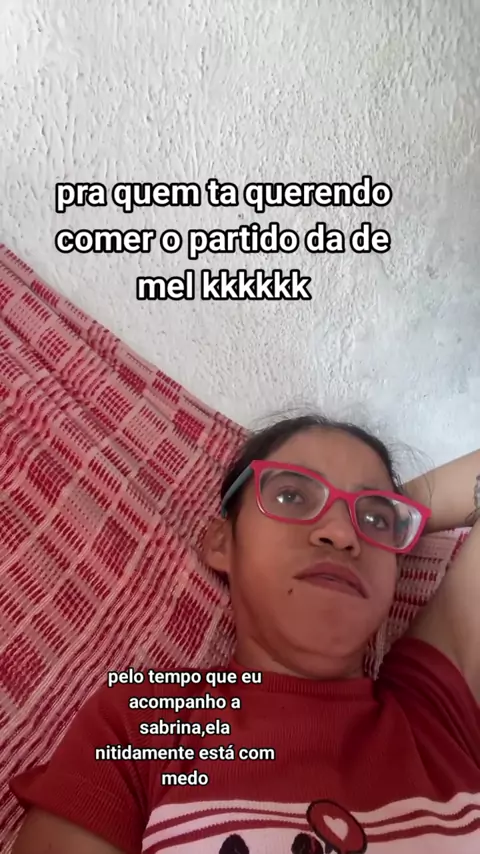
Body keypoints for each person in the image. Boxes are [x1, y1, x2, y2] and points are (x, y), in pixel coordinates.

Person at [9, 414, 480, 853]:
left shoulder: (438, 710)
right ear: (221, 542)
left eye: (374, 518)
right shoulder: (146, 722)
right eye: (292, 495)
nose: (341, 533)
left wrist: (397, 515)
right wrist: (377, 512)